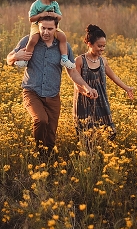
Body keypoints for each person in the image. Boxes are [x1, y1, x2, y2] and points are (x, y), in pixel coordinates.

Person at [7, 15, 97, 154]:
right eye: (43, 28)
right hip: (32, 91)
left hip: (53, 94)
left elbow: (72, 72)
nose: (46, 32)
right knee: (41, 120)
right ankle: (37, 153)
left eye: (50, 29)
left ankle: (47, 161)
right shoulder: (29, 40)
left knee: (50, 135)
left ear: (56, 28)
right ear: (38, 27)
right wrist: (15, 57)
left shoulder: (64, 46)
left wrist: (86, 87)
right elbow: (9, 59)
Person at [73, 24, 135, 140]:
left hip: (101, 100)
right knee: (86, 135)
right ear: (89, 44)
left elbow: (114, 77)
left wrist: (127, 88)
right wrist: (87, 92)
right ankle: (88, 156)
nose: (102, 49)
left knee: (109, 133)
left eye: (104, 46)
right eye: (99, 46)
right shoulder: (80, 60)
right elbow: (76, 83)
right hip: (84, 102)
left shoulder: (103, 61)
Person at [14, 0, 76, 70]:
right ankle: (25, 60)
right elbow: (31, 19)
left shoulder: (55, 4)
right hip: (37, 25)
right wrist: (41, 15)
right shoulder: (36, 4)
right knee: (33, 39)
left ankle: (64, 58)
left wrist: (54, 14)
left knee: (63, 36)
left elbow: (60, 17)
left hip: (52, 25)